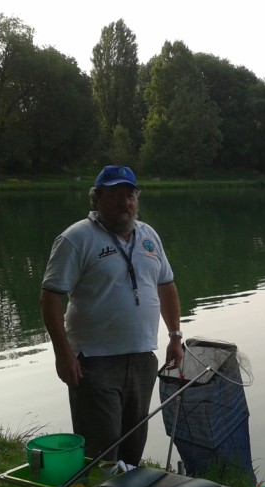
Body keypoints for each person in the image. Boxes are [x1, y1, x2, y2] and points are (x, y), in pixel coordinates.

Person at [40, 165, 183, 466]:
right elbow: (50, 298)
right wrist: (63, 354)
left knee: (133, 446)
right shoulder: (76, 238)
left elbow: (166, 286)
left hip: (142, 357)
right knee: (101, 451)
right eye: (115, 195)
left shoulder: (148, 236)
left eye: (130, 195)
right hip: (94, 362)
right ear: (96, 199)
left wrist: (175, 336)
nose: (124, 202)